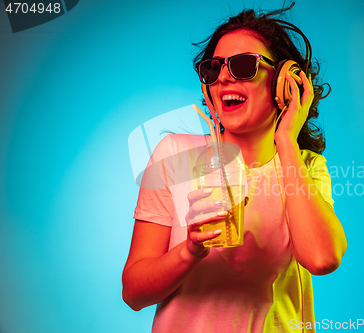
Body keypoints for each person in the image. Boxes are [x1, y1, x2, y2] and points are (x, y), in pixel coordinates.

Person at [122, 4, 347, 333]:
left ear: (284, 80)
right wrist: (190, 249)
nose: (224, 76)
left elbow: (322, 258)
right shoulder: (174, 155)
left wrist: (286, 140)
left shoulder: (305, 167)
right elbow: (134, 292)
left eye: (243, 66)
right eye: (213, 68)